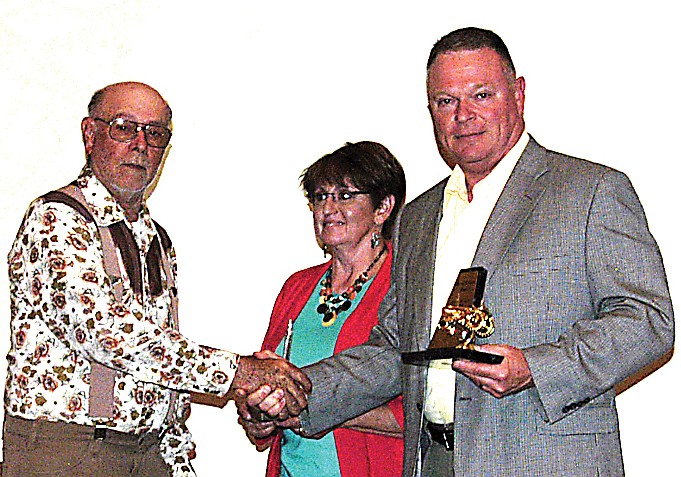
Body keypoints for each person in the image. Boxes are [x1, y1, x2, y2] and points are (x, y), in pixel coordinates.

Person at [248, 28, 675, 476]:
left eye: (481, 95)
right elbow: (395, 349)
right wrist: (296, 388)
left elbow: (648, 320)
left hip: (547, 463)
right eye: (446, 101)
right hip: (431, 461)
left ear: (519, 93)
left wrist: (536, 367)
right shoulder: (417, 216)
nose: (463, 115)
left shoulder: (591, 191)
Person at [2, 81, 310, 477]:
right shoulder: (57, 218)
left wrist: (176, 459)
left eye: (155, 133)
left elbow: (161, 360)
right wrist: (240, 373)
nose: (140, 143)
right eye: (124, 127)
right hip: (68, 451)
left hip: (147, 452)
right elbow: (106, 335)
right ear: (90, 134)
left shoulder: (156, 240)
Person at [240, 141, 406, 477]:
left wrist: (308, 410)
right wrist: (259, 417)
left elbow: (418, 411)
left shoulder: (406, 284)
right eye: (319, 197)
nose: (328, 208)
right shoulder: (297, 287)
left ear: (383, 207)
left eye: (344, 195)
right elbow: (266, 380)